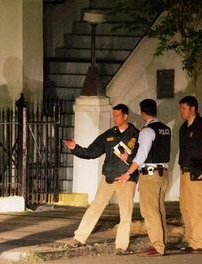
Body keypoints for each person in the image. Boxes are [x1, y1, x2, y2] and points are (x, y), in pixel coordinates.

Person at [63, 104, 140, 255]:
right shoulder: (109, 134)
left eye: (117, 116)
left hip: (126, 179)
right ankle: (79, 238)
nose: (114, 119)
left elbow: (142, 157)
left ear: (125, 116)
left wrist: (129, 164)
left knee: (126, 213)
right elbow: (92, 152)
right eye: (113, 115)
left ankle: (121, 246)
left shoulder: (137, 134)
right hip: (109, 177)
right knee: (95, 207)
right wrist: (75, 148)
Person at [119, 99, 171, 257]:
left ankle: (157, 246)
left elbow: (142, 156)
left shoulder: (147, 131)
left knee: (150, 211)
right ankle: (162, 243)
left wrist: (128, 173)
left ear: (143, 113)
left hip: (150, 175)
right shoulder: (165, 129)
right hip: (163, 174)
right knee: (159, 210)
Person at [177, 96, 202, 254]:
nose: (181, 111)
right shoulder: (184, 127)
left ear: (193, 108)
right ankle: (192, 241)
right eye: (180, 109)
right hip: (185, 172)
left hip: (199, 173)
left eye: (183, 108)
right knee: (186, 207)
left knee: (199, 207)